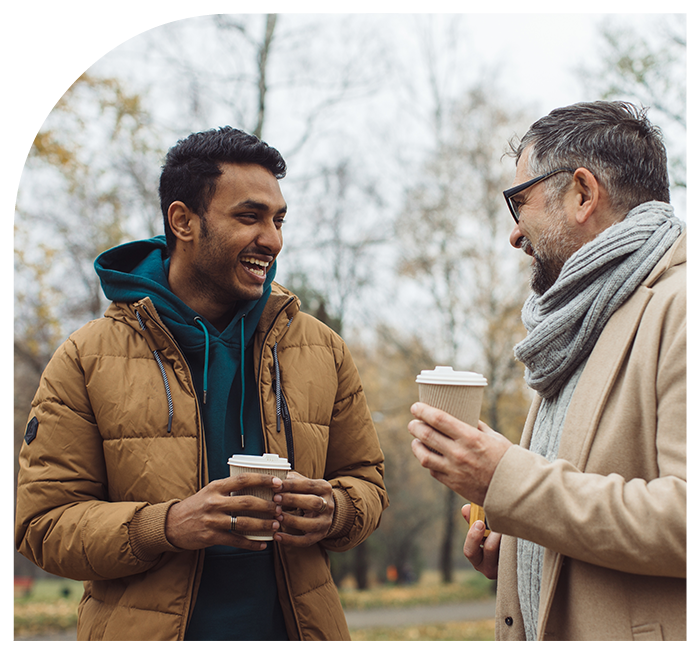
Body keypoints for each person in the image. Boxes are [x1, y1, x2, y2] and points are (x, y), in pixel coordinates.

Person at [15, 127, 388, 641]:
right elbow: (43, 525)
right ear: (183, 220)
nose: (273, 239)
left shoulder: (322, 350)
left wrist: (336, 509)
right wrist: (166, 525)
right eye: (249, 216)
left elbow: (366, 481)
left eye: (278, 220)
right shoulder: (85, 358)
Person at [408, 101, 686, 641]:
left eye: (520, 202)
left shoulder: (682, 308)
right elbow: (578, 500)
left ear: (582, 194)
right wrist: (517, 542)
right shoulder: (580, 321)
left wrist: (505, 477)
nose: (514, 235)